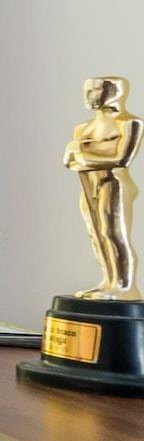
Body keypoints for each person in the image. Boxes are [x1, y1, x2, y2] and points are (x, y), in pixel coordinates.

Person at [64, 75, 142, 300]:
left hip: (114, 183)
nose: (88, 96)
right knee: (95, 233)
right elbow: (67, 161)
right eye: (87, 90)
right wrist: (81, 157)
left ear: (114, 92)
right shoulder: (82, 128)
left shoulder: (129, 123)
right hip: (89, 184)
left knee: (113, 233)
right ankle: (107, 281)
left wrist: (82, 156)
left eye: (95, 90)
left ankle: (124, 286)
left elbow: (121, 159)